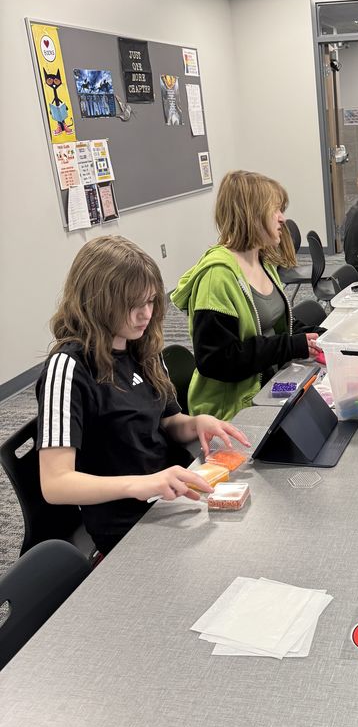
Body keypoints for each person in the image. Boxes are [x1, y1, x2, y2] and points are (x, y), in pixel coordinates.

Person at [36, 235, 249, 556]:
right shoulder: (68, 368)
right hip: (126, 524)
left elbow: (167, 421)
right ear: (97, 302)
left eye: (150, 301)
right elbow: (55, 484)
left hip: (169, 498)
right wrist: (141, 483)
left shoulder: (142, 347)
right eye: (132, 305)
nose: (146, 314)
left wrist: (195, 423)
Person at [171, 170, 320, 421]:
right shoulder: (217, 277)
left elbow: (276, 326)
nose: (282, 218)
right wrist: (291, 346)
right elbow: (217, 360)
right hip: (233, 409)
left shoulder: (263, 261)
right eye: (275, 210)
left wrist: (316, 335)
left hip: (270, 385)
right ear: (252, 214)